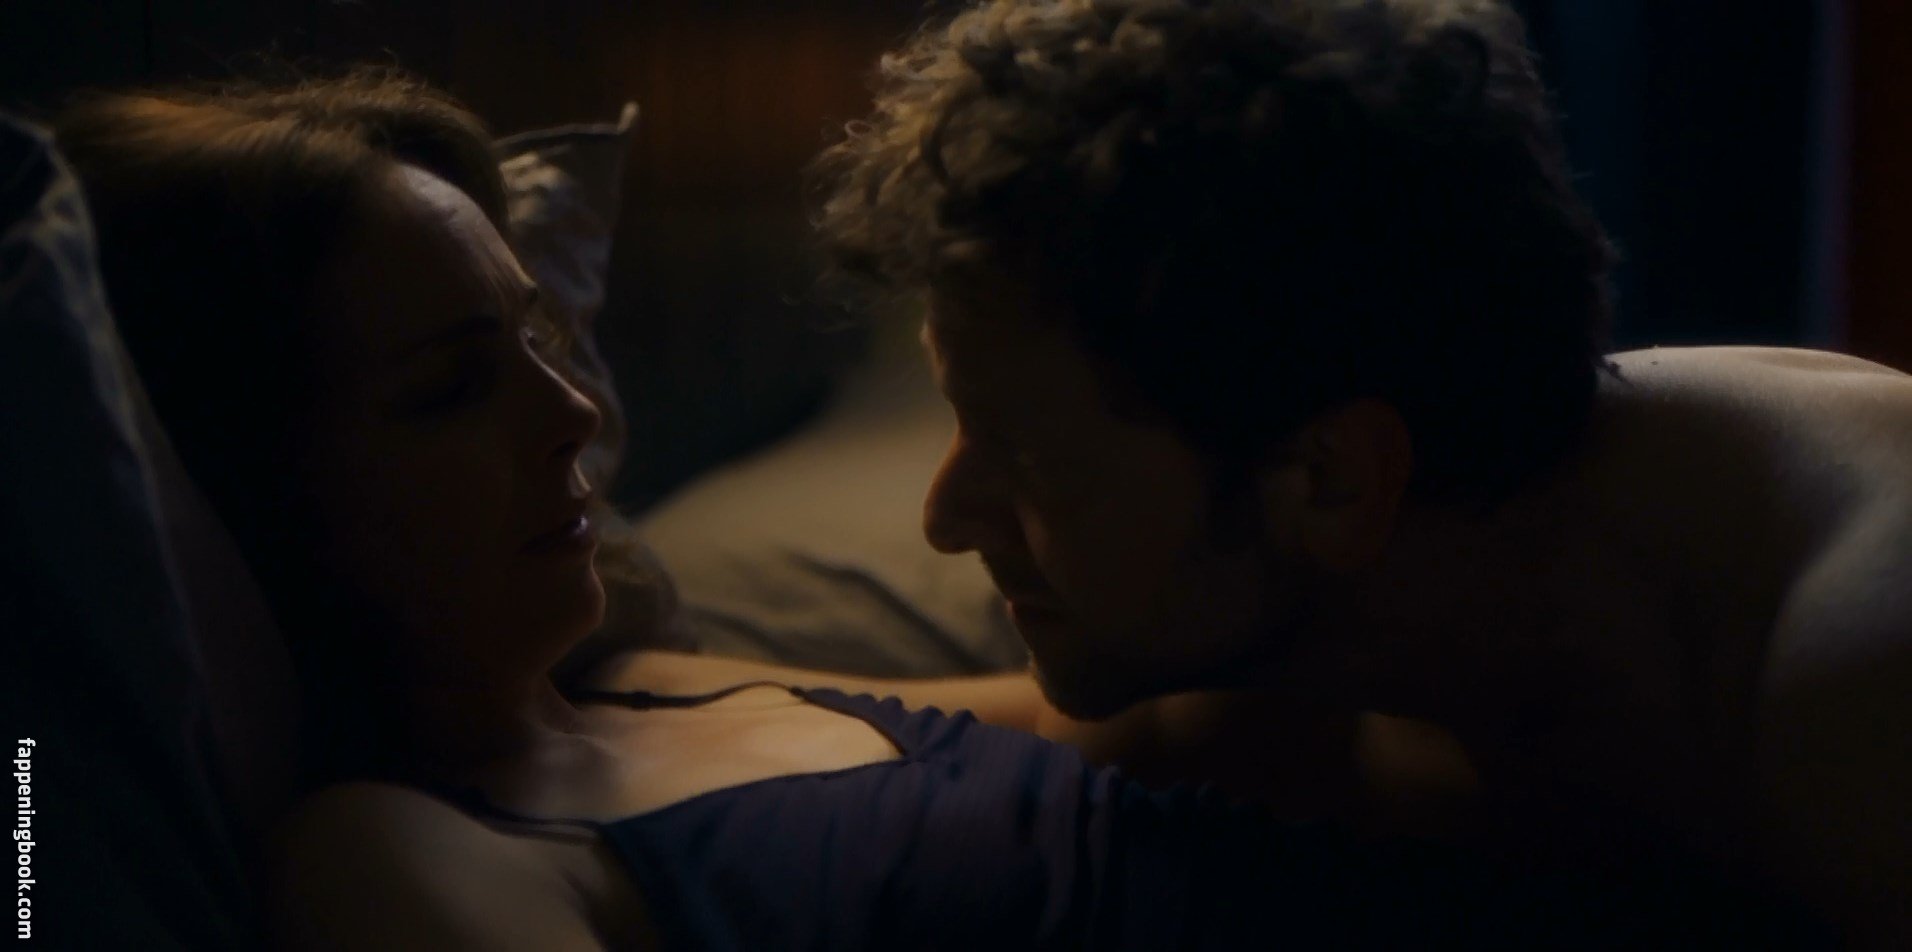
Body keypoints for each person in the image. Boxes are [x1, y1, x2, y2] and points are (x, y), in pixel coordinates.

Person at [59, 67, 1805, 951]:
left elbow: (1159, 732)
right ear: (254, 483)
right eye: (452, 388)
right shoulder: (391, 851)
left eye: (538, 338)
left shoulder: (666, 686)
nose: (573, 416)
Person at [807, 0, 1912, 941]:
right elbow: (982, 731)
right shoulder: (1342, 622)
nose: (946, 517)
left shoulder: (1859, 677)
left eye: (1024, 453)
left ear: (1329, 479)